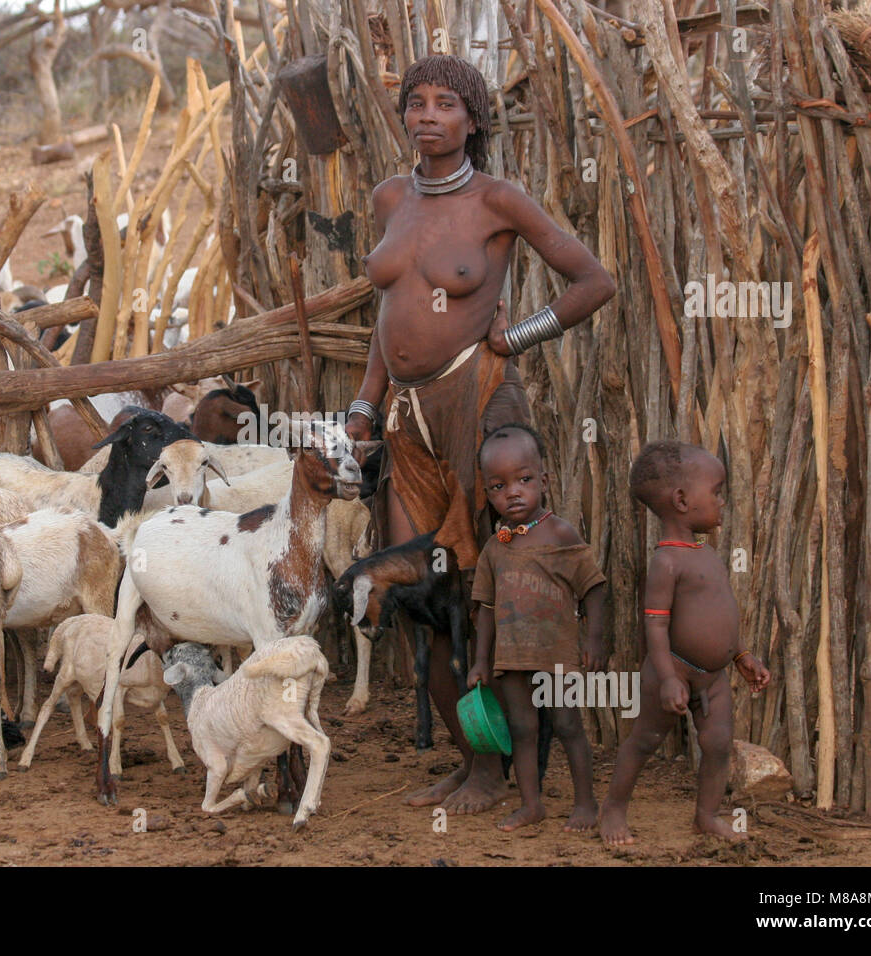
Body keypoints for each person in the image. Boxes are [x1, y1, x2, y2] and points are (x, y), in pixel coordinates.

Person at [344, 54, 615, 814]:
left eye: (445, 104)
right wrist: (366, 406)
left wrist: (518, 337)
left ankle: (517, 774)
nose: (427, 115)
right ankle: (477, 766)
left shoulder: (499, 200)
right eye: (416, 103)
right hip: (407, 419)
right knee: (425, 592)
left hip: (481, 402)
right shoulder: (391, 197)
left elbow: (595, 281)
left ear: (473, 119)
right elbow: (387, 320)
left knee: (493, 590)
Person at [598, 440, 771, 844]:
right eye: (716, 491)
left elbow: (721, 615)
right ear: (680, 499)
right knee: (644, 740)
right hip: (671, 670)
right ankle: (614, 808)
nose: (722, 501)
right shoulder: (667, 561)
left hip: (714, 676)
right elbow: (655, 627)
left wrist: (742, 654)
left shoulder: (706, 553)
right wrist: (667, 677)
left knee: (718, 744)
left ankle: (706, 815)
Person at [466, 424, 607, 831]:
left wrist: (593, 639)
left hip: (558, 657)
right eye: (498, 486)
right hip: (511, 660)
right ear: (488, 493)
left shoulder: (561, 533)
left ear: (543, 481)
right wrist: (480, 662)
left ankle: (586, 803)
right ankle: (532, 804)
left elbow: (594, 588)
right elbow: (487, 608)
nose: (512, 492)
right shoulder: (495, 548)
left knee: (567, 725)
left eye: (524, 480)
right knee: (522, 730)